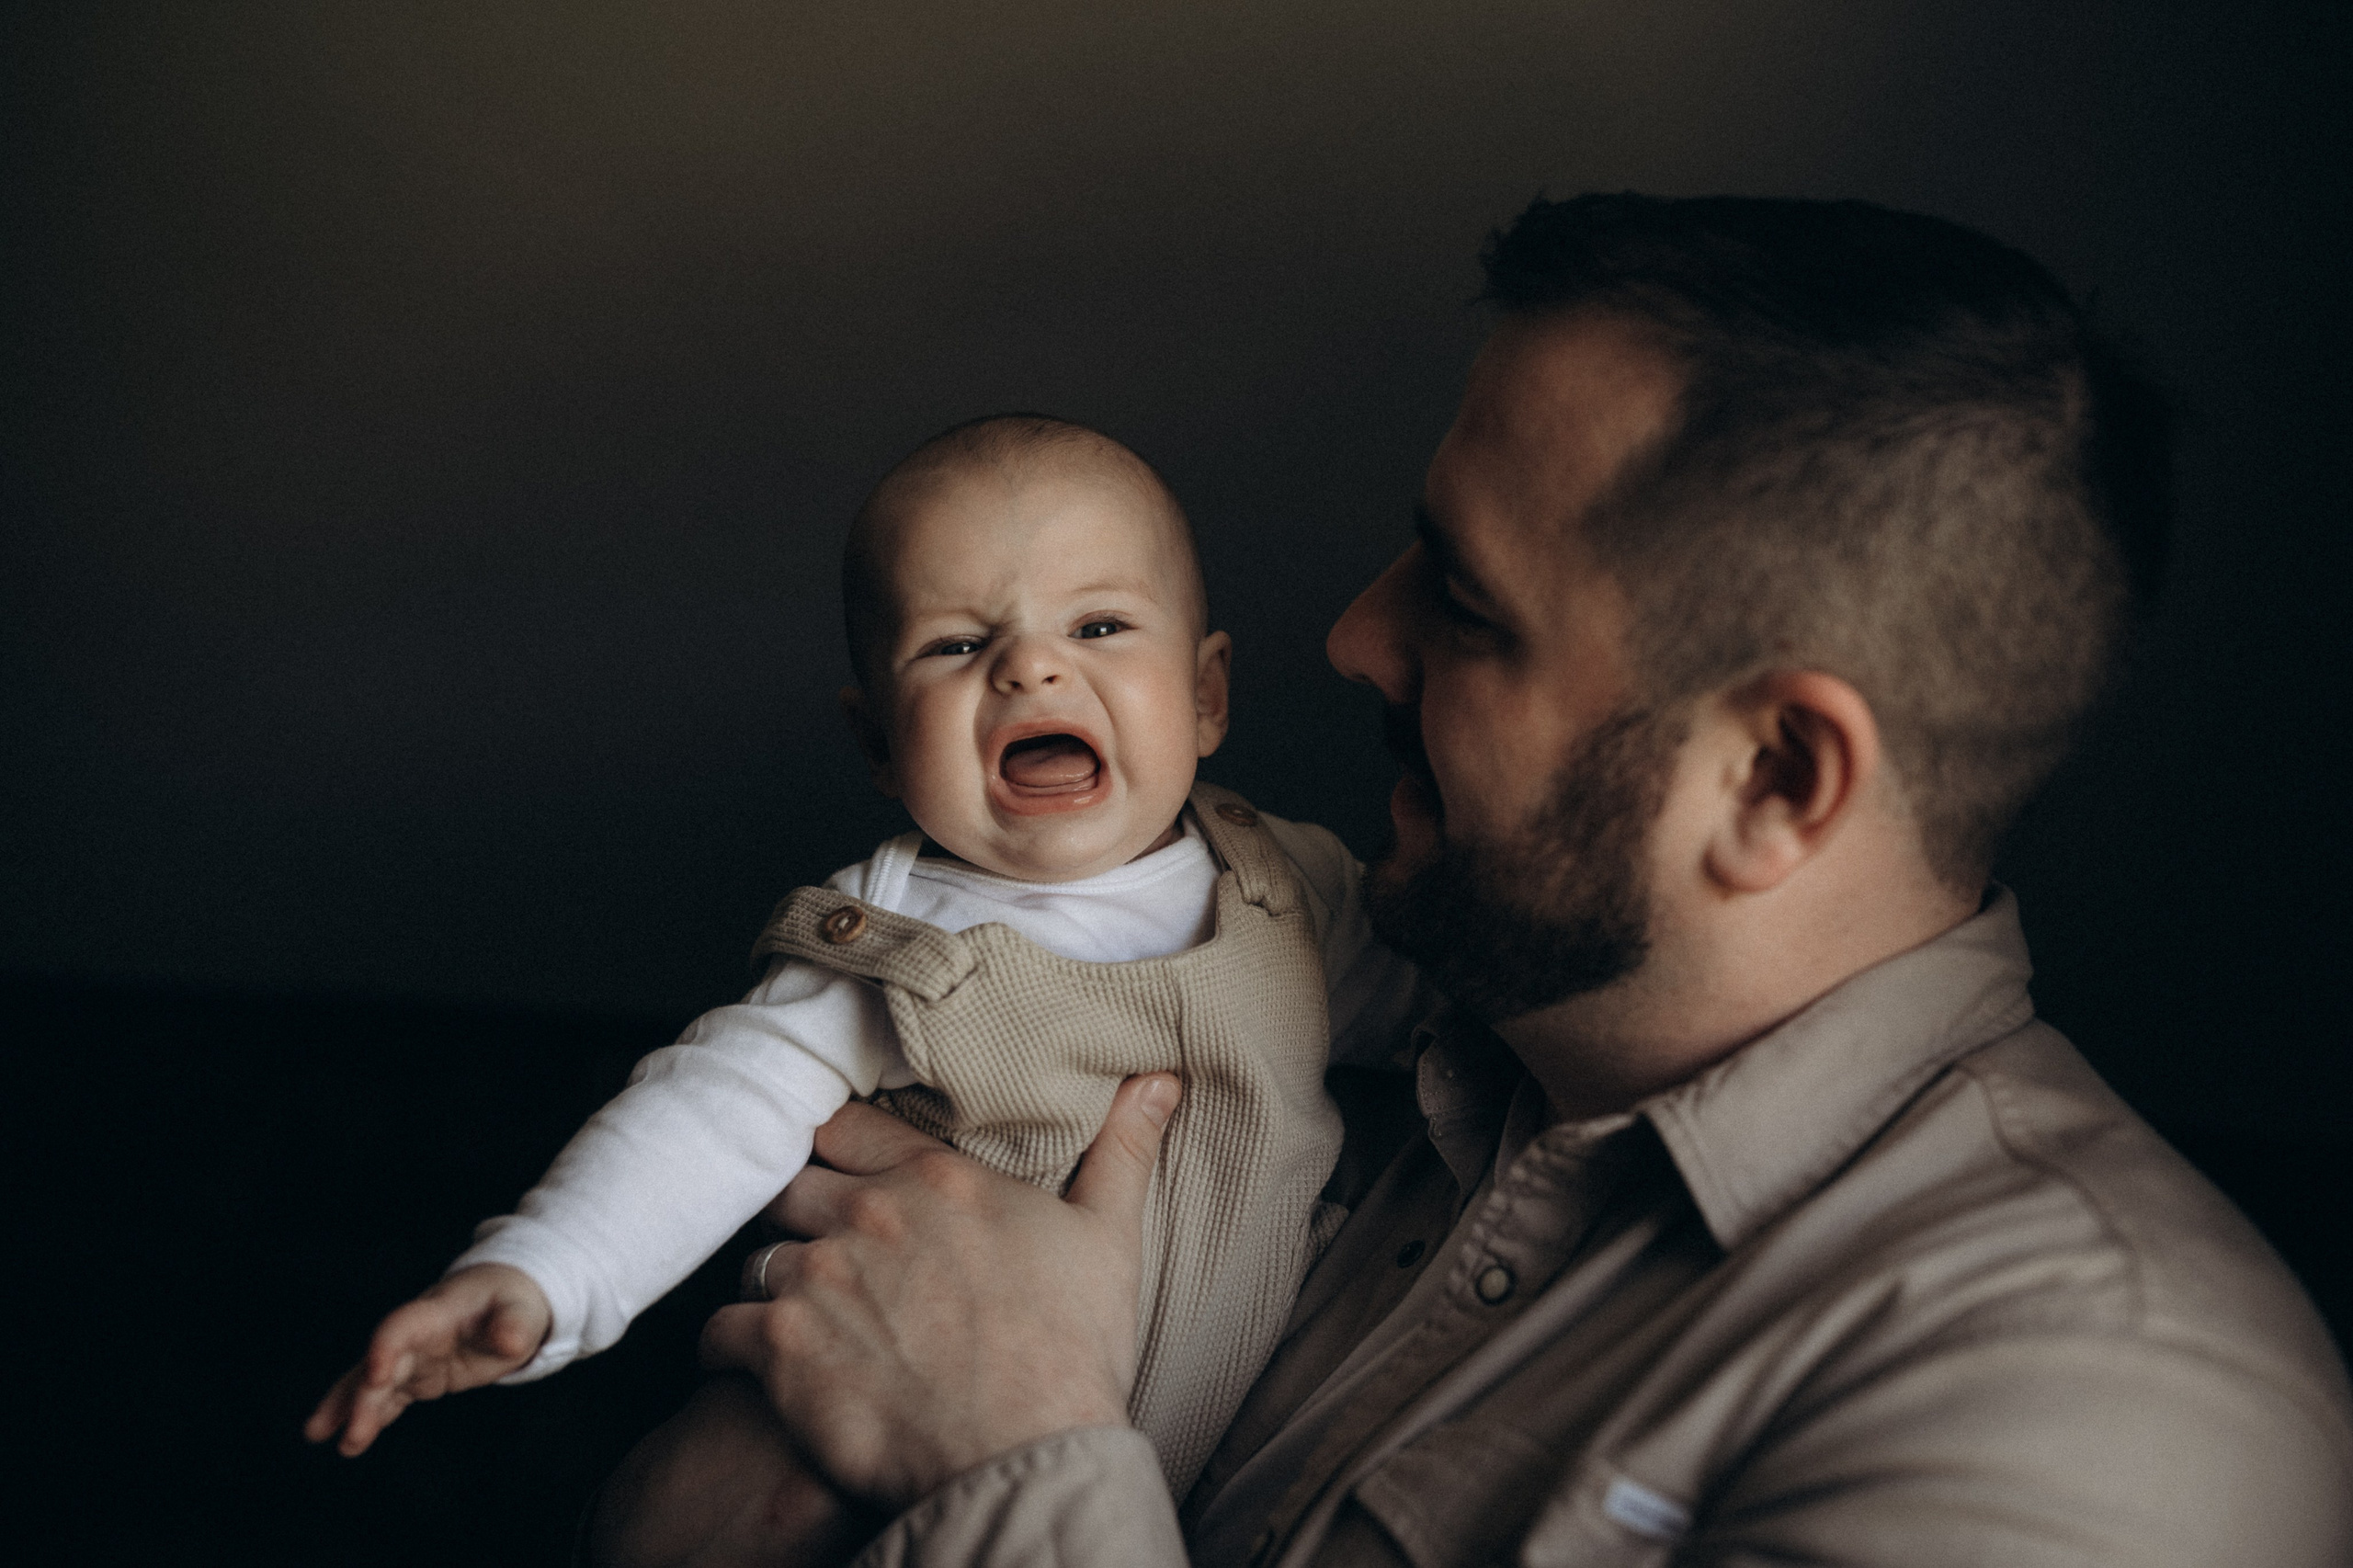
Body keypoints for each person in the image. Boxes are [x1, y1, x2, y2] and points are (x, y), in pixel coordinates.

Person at [692, 194, 2353, 1565]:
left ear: (1774, 780)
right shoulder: (1352, 1033)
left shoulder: (2105, 1413)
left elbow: (971, 1403)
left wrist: (1018, 1453)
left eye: (1470, 610)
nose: (1354, 637)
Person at [304, 416, 1425, 1541]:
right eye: (954, 644)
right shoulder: (890, 945)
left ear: (1204, 695)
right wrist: (545, 1271)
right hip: (873, 1454)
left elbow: (1445, 1015)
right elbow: (708, 1112)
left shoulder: (1293, 890)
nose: (1029, 664)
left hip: (1172, 1474)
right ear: (881, 744)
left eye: (1098, 624)